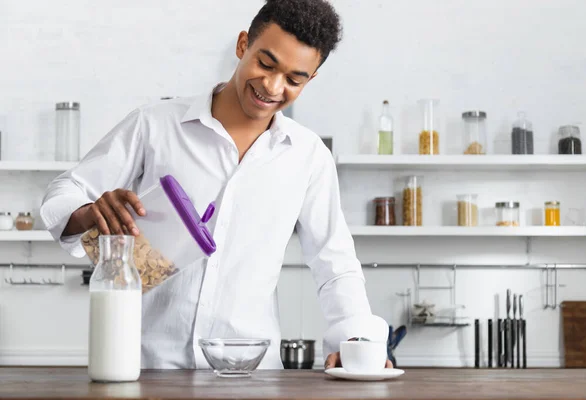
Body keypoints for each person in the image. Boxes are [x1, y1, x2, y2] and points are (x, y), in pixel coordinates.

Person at [40, 0, 390, 370]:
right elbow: (64, 192)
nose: (272, 86)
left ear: (310, 79)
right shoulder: (155, 125)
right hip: (146, 369)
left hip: (252, 376)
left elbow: (334, 261)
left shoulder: (308, 157)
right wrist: (88, 212)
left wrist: (356, 338)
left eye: (293, 79)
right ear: (243, 45)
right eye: (265, 64)